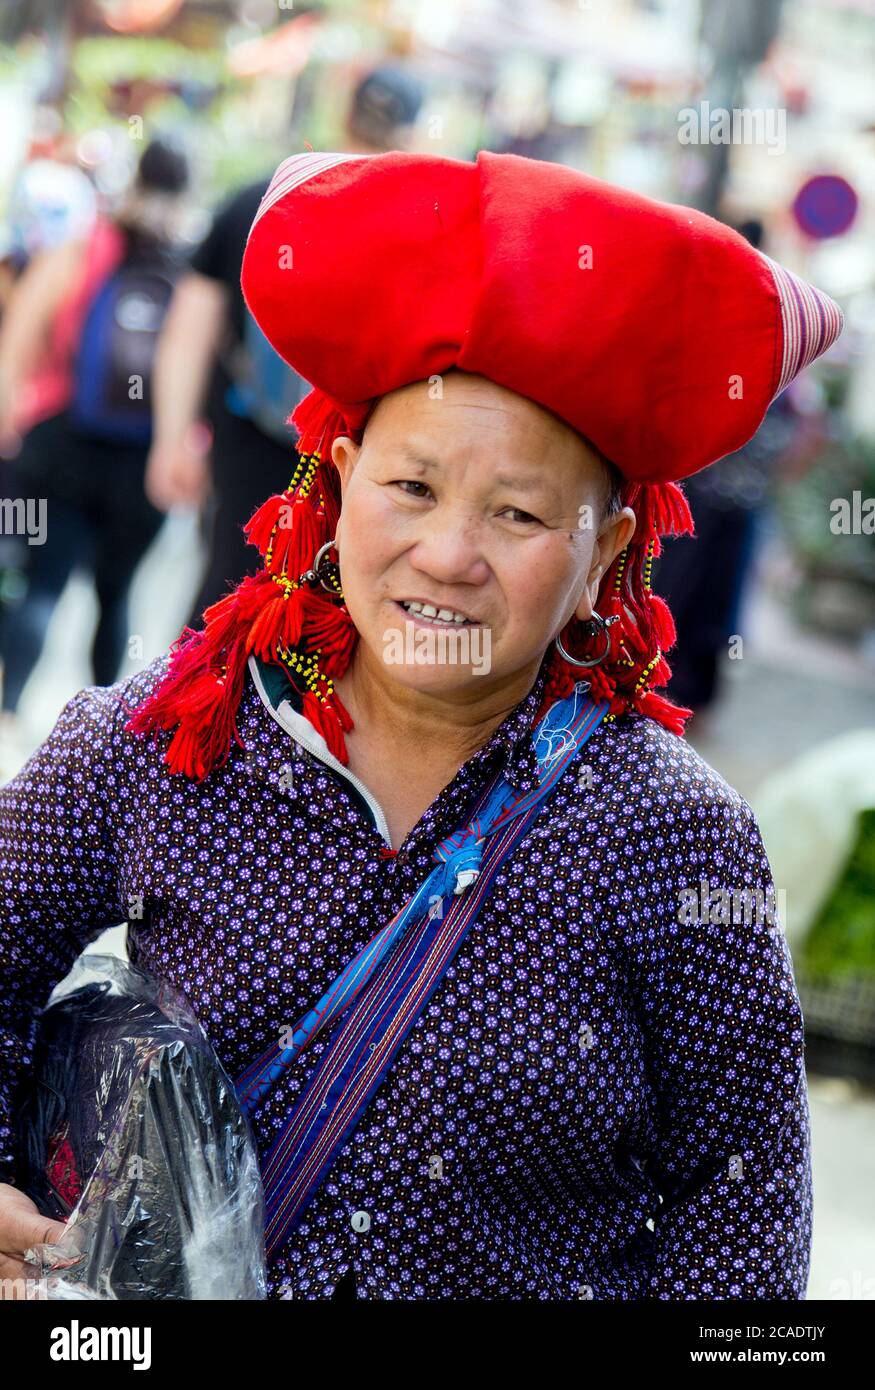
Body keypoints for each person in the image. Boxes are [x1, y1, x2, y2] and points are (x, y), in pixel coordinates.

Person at [0, 148, 843, 1300]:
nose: (447, 555)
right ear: (338, 480)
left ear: (602, 553)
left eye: (518, 511)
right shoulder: (158, 740)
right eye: (411, 487)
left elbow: (742, 1219)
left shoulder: (676, 839)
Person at [144, 64, 424, 629]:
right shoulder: (413, 218)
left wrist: (173, 439)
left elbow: (188, 331)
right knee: (334, 608)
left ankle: (196, 706)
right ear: (411, 131)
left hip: (249, 436)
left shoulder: (264, 196)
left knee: (227, 589)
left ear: (344, 111)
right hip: (357, 455)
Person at [0, 138, 191, 717]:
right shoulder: (190, 266)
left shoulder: (86, 247)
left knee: (38, 584)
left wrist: (13, 419)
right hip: (143, 464)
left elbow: (21, 339)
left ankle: (8, 713)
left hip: (60, 446)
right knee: (117, 594)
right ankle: (109, 730)